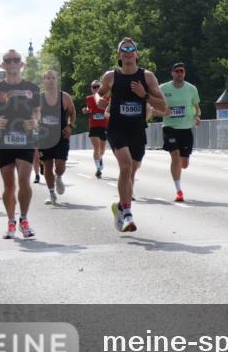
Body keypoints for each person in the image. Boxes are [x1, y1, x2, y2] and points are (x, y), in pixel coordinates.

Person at [96, 37, 167, 232]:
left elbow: (162, 105)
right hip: (117, 128)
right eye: (123, 49)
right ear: (119, 55)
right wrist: (100, 101)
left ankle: (119, 206)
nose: (127, 51)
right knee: (126, 166)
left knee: (133, 168)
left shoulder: (147, 77)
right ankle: (127, 214)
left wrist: (144, 95)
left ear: (136, 54)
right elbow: (98, 94)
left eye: (131, 48)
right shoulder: (111, 76)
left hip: (137, 129)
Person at [0, 49, 40, 239]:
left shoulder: (32, 88)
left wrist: (35, 121)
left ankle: (24, 220)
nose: (13, 63)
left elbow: (37, 112)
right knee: (9, 185)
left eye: (16, 60)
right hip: (3, 140)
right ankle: (10, 222)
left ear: (22, 64)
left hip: (25, 138)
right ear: (4, 64)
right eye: (9, 60)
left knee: (24, 181)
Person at [157, 62, 201, 202]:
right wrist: (164, 111)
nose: (179, 73)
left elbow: (196, 107)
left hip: (186, 129)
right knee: (175, 156)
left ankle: (178, 171)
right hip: (170, 128)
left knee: (184, 164)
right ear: (172, 73)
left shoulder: (191, 89)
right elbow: (153, 108)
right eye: (177, 71)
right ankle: (178, 190)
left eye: (182, 71)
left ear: (184, 73)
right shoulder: (163, 88)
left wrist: (197, 116)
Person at [37, 70, 77, 205]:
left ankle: (59, 177)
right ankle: (51, 193)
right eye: (47, 78)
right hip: (45, 138)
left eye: (53, 78)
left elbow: (72, 112)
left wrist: (70, 126)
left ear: (57, 80)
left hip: (61, 136)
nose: (50, 80)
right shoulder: (39, 99)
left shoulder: (64, 97)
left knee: (60, 165)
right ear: (44, 81)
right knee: (47, 166)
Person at [82, 79, 110, 178]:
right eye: (94, 87)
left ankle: (100, 159)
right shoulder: (89, 98)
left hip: (105, 126)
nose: (96, 88)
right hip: (94, 126)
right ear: (91, 89)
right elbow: (88, 108)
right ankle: (98, 168)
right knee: (96, 147)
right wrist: (85, 110)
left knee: (102, 149)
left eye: (98, 86)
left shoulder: (107, 98)